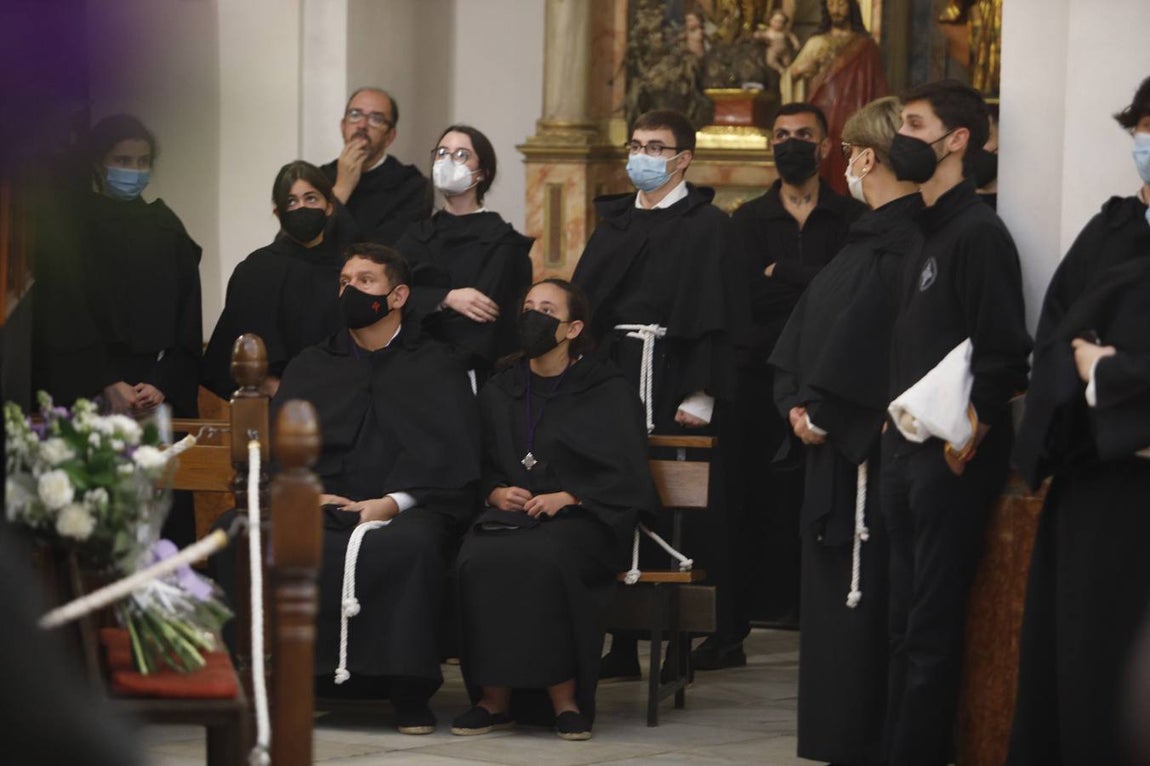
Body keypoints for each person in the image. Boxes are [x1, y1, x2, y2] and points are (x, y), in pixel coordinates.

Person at [881, 80, 1031, 766]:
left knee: (932, 624)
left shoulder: (979, 232)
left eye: (914, 124)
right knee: (901, 617)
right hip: (903, 449)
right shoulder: (919, 228)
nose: (900, 137)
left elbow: (1001, 352)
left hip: (948, 457)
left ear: (957, 140)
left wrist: (966, 437)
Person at [769, 96, 922, 766]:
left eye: (853, 153)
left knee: (862, 618)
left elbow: (875, 349)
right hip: (826, 450)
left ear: (866, 156)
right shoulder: (864, 238)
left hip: (865, 457)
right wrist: (794, 403)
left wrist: (825, 413)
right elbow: (806, 335)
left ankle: (857, 742)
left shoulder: (906, 243)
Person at [274, 243, 481, 734]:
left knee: (410, 547)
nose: (350, 290)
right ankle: (292, 682)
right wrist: (308, 494)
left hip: (410, 507)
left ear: (398, 295)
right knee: (256, 534)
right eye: (345, 281)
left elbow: (455, 461)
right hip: (320, 502)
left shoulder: (436, 365)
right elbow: (280, 450)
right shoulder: (310, 364)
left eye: (365, 281)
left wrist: (391, 502)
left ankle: (407, 693)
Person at [1008, 75, 1150, 766]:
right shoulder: (1110, 231)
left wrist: (1115, 371)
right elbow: (1057, 336)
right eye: (1148, 129)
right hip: (1100, 481)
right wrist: (1088, 379)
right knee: (1087, 659)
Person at [451, 279, 660, 741]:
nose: (533, 317)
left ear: (573, 328)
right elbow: (476, 464)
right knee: (477, 559)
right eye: (527, 307)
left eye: (546, 309)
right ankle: (493, 700)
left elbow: (627, 473)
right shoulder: (501, 386)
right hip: (508, 518)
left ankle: (565, 701)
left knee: (544, 560)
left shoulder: (606, 388)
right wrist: (495, 493)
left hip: (584, 521)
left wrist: (572, 497)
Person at [571, 108, 737, 681]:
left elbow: (719, 312)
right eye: (637, 144)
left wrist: (702, 392)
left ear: (683, 158)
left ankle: (679, 644)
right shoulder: (614, 221)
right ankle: (620, 641)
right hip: (614, 374)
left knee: (676, 504)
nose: (643, 155)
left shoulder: (707, 225)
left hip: (672, 374)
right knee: (615, 495)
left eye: (657, 147)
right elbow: (588, 302)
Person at [722, 102, 865, 659]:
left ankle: (816, 608)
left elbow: (849, 296)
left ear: (826, 147)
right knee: (760, 494)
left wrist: (782, 273)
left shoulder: (851, 219)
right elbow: (747, 297)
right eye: (781, 135)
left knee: (823, 496)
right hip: (762, 377)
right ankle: (763, 602)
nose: (791, 143)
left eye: (803, 135)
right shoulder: (746, 221)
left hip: (834, 376)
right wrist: (814, 284)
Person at [32, 113, 203, 419]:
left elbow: (188, 317)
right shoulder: (72, 228)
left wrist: (162, 381)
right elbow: (65, 312)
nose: (134, 170)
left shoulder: (166, 228)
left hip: (155, 389)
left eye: (143, 161)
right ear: (99, 163)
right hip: (90, 386)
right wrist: (105, 381)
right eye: (122, 160)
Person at [396, 125, 534, 384]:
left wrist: (426, 303)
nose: (448, 161)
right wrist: (445, 298)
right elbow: (393, 295)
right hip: (410, 367)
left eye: (461, 155)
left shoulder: (503, 244)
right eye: (442, 153)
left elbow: (486, 318)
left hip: (472, 375)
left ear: (483, 173)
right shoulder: (416, 235)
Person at [202, 160, 348, 399]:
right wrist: (280, 392)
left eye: (311, 198)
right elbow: (237, 350)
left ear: (329, 206)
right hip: (273, 403)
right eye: (291, 201)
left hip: (340, 400)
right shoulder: (255, 271)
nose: (302, 207)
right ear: (278, 212)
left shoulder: (346, 270)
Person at [780, 0, 888, 194]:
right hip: (822, 114)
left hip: (854, 115)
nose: (836, 10)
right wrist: (801, 71)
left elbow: (876, 87)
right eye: (831, 4)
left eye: (841, 4)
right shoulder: (817, 42)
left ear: (852, 7)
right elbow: (792, 75)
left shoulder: (865, 45)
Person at [320, 87, 432, 246]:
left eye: (376, 119)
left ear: (390, 136)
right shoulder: (317, 178)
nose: (362, 125)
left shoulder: (412, 187)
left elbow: (388, 252)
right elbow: (296, 243)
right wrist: (341, 189)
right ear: (343, 127)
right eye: (355, 115)